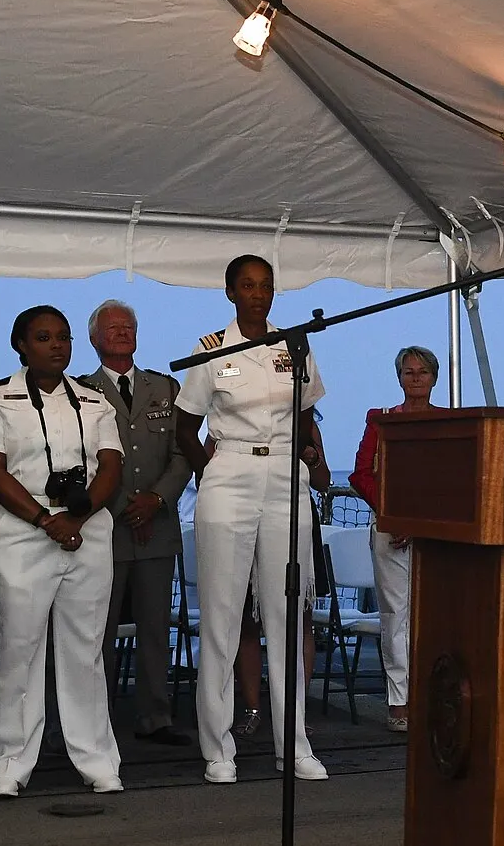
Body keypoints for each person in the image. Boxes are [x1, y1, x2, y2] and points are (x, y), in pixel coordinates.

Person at [175, 255, 331, 784]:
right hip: (232, 471)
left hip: (286, 475)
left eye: (265, 285)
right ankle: (218, 748)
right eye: (247, 285)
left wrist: (314, 455)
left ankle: (295, 743)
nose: (258, 294)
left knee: (288, 615)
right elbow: (184, 427)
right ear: (230, 293)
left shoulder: (295, 343)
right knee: (221, 616)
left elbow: (306, 410)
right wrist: (208, 472)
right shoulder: (212, 350)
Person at [0, 306, 126, 797]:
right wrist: (45, 521)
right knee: (19, 649)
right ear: (21, 345)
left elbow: (111, 466)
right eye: (43, 337)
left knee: (85, 650)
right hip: (23, 532)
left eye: (63, 337)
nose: (56, 345)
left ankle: (97, 759)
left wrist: (74, 520)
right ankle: (9, 764)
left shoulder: (94, 400)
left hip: (86, 533)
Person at [77, 299, 192, 747]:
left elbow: (183, 453)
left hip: (158, 527)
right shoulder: (81, 391)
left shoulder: (166, 388)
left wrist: (156, 499)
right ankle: (97, 719)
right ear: (95, 338)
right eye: (113, 328)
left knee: (155, 629)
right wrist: (128, 504)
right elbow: (84, 461)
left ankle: (155, 717)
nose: (123, 333)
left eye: (129, 326)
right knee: (97, 631)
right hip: (105, 528)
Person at [348, 345, 440, 732]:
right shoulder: (381, 421)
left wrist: (421, 521)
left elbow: (452, 476)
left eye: (421, 371)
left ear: (434, 376)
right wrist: (394, 516)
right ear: (399, 377)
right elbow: (359, 474)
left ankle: (432, 696)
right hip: (390, 531)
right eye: (408, 371)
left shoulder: (450, 423)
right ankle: (399, 700)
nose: (415, 377)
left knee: (434, 618)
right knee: (395, 616)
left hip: (437, 533)